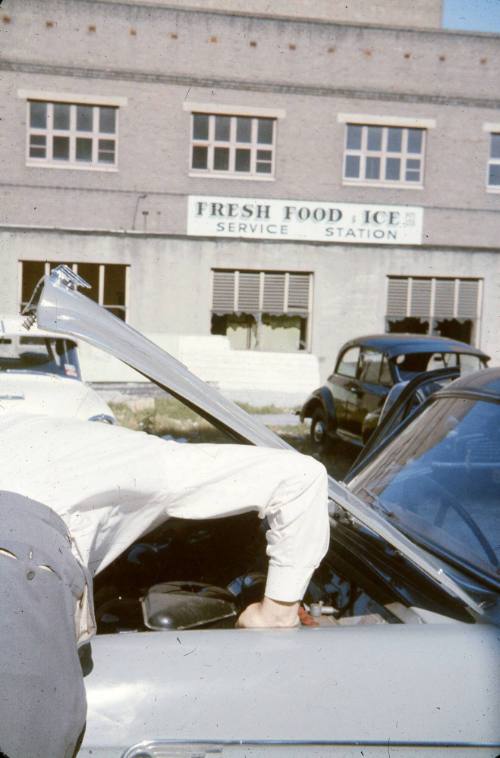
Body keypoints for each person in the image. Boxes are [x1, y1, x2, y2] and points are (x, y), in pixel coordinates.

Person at [0, 409, 330, 633]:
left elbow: (300, 478)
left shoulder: (128, 462)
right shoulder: (129, 460)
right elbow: (300, 478)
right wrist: (276, 613)